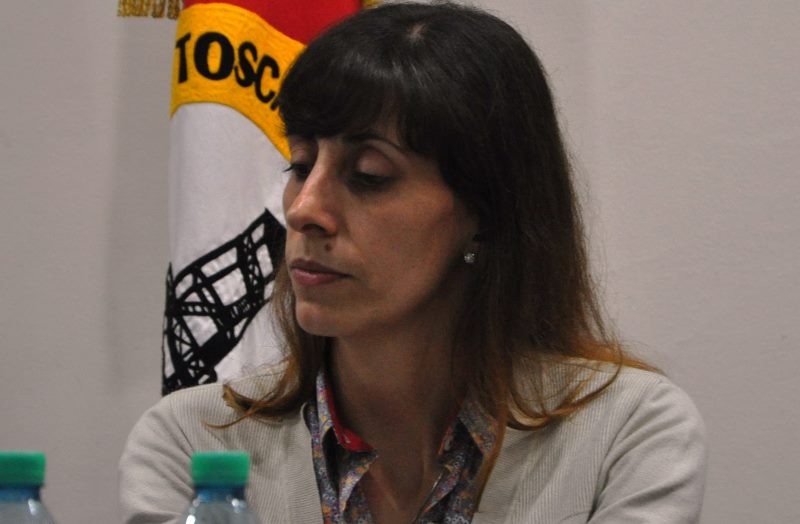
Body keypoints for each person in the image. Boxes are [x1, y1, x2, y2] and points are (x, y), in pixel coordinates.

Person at [119, 3, 707, 523]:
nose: (303, 210)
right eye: (300, 165)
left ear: (487, 209)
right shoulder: (194, 443)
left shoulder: (624, 433)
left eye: (368, 175)